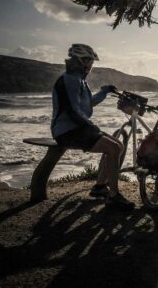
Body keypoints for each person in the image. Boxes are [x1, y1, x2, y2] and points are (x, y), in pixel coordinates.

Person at [51, 43, 134, 210]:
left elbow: (87, 105)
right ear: (83, 61)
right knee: (113, 148)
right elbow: (73, 111)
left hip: (77, 128)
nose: (91, 66)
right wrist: (91, 127)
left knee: (118, 146)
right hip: (67, 131)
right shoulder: (68, 80)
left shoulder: (79, 80)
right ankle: (114, 196)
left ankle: (99, 187)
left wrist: (105, 91)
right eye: (90, 62)